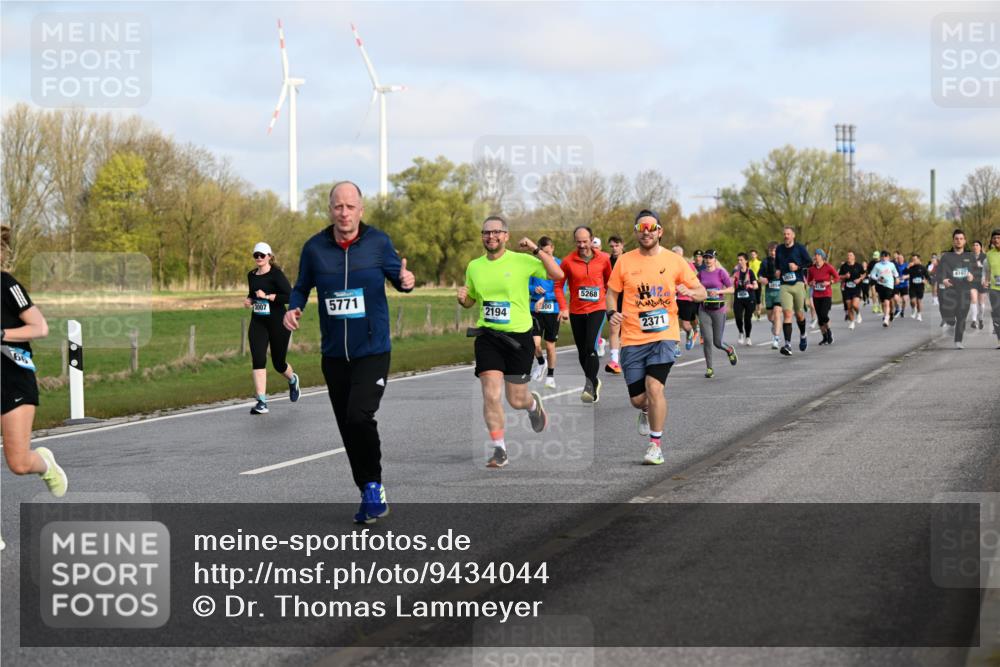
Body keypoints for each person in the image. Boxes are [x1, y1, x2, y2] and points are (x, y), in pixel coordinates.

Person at [284, 181, 415, 524]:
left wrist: (405, 281)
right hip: (333, 355)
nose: (344, 213)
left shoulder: (378, 242)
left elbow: (397, 278)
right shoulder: (314, 248)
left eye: (350, 207)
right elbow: (301, 287)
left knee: (359, 416)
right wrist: (293, 307)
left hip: (372, 349)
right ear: (330, 210)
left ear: (361, 210)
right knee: (347, 427)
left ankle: (374, 487)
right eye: (338, 207)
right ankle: (366, 489)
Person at [458, 216, 563, 468]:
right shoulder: (474, 266)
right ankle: (499, 449)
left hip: (519, 339)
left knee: (516, 400)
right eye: (486, 232)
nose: (490, 236)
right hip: (488, 337)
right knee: (491, 394)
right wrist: (464, 300)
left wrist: (537, 250)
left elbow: (557, 274)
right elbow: (472, 298)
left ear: (506, 235)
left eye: (496, 232)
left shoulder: (523, 261)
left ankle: (532, 405)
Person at [606, 210, 706, 465]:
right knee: (638, 399)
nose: (646, 231)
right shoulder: (625, 261)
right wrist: (611, 312)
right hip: (632, 337)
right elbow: (611, 292)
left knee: (655, 387)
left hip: (664, 334)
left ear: (660, 231)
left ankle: (655, 445)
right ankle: (646, 409)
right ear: (637, 231)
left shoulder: (675, 261)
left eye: (651, 227)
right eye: (642, 227)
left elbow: (702, 291)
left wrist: (690, 292)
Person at [2, 257, 68, 552]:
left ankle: (45, 464)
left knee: (18, 463)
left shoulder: (7, 284)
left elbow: (39, 327)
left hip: (12, 379)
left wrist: (2, 334)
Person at [554, 226, 612, 403]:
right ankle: (594, 381)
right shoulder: (568, 261)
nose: (582, 245)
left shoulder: (603, 259)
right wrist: (563, 307)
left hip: (597, 309)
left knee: (590, 347)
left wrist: (611, 305)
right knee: (581, 352)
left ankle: (589, 385)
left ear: (591, 239)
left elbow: (611, 283)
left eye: (585, 241)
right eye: (578, 242)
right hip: (576, 311)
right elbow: (558, 286)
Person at [244, 242, 299, 414]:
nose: (259, 258)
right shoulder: (251, 275)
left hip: (278, 323)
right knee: (258, 359)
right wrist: (250, 300)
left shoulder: (276, 274)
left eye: (262, 255)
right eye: (256, 255)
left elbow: (290, 296)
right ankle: (261, 401)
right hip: (258, 322)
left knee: (278, 363)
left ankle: (292, 379)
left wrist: (267, 296)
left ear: (269, 256)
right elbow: (253, 294)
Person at [696, 250, 738, 378]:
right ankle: (709, 368)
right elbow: (695, 287)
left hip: (718, 310)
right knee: (707, 341)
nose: (708, 260)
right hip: (704, 309)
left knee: (717, 342)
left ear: (714, 259)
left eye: (710, 258)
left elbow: (732, 289)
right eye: (706, 258)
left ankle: (729, 349)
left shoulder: (721, 272)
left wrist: (720, 291)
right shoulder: (701, 274)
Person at [936, 229, 978, 349]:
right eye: (956, 239)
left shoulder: (970, 256)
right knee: (950, 318)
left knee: (962, 316)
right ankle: (949, 321)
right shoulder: (946, 257)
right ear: (953, 241)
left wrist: (972, 276)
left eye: (961, 239)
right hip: (949, 292)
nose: (958, 241)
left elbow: (977, 273)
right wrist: (943, 280)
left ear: (964, 241)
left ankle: (958, 341)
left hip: (964, 291)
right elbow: (939, 273)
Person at [529, 236, 560, 389]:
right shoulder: (532, 264)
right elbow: (525, 285)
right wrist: (533, 290)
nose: (546, 256)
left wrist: (545, 297)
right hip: (535, 309)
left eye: (548, 253)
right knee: (534, 344)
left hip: (552, 309)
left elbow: (562, 290)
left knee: (550, 346)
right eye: (543, 253)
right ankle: (541, 363)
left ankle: (550, 376)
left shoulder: (559, 264)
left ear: (552, 248)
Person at [775, 226, 812, 355]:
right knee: (787, 314)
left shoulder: (800, 248)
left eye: (788, 234)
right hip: (784, 284)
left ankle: (803, 334)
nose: (786, 236)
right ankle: (788, 345)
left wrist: (798, 267)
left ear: (793, 236)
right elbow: (777, 264)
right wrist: (778, 270)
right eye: (784, 234)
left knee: (799, 314)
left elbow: (809, 263)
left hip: (798, 283)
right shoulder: (779, 249)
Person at [806, 249, 840, 345]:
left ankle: (829, 331)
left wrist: (829, 282)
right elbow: (809, 281)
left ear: (821, 256)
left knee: (824, 315)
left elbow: (837, 277)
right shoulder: (811, 269)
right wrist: (811, 283)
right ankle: (824, 337)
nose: (815, 256)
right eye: (815, 255)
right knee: (820, 318)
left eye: (817, 255)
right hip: (816, 295)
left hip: (826, 294)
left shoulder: (828, 267)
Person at [672, 246, 700, 356]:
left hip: (685, 298)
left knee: (685, 324)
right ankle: (676, 347)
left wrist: (689, 291)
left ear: (681, 255)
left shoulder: (689, 266)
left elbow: (694, 281)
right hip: (672, 298)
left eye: (677, 254)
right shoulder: (669, 266)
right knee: (672, 323)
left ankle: (690, 332)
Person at [605, 235, 625, 374]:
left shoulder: (629, 259)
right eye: (611, 246)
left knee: (627, 331)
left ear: (622, 245)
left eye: (616, 245)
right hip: (613, 298)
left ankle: (626, 358)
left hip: (628, 298)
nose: (614, 248)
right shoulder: (607, 261)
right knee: (614, 329)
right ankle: (614, 361)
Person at [758, 242, 784, 349]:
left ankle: (776, 338)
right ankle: (774, 324)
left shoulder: (783, 261)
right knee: (770, 317)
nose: (773, 253)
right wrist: (762, 279)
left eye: (775, 251)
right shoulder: (765, 262)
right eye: (771, 251)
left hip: (780, 291)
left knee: (777, 312)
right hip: (769, 292)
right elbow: (759, 275)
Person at [731, 252, 758, 346]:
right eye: (738, 260)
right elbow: (729, 283)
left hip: (749, 298)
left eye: (741, 260)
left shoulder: (750, 272)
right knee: (738, 317)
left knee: (747, 319)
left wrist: (751, 285)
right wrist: (733, 277)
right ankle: (741, 333)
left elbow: (756, 285)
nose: (739, 261)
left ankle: (748, 337)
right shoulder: (735, 272)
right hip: (738, 298)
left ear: (746, 261)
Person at [870, 251, 899, 328]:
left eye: (886, 256)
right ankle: (887, 314)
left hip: (889, 285)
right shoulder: (877, 265)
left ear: (888, 257)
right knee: (883, 303)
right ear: (880, 257)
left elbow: (896, 273)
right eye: (882, 256)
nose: (884, 258)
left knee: (887, 302)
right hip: (880, 285)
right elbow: (872, 274)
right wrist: (877, 278)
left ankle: (886, 318)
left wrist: (897, 278)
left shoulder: (891, 265)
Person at [839, 251, 865, 330]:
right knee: (849, 306)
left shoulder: (858, 266)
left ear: (854, 257)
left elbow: (864, 274)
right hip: (847, 289)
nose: (848, 257)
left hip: (856, 288)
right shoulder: (844, 266)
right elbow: (839, 276)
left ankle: (858, 313)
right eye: (848, 255)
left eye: (850, 255)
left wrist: (859, 279)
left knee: (855, 305)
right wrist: (845, 276)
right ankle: (852, 322)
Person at [903, 254, 929, 322]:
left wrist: (925, 280)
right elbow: (904, 272)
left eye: (915, 259)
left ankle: (919, 314)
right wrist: (908, 266)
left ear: (918, 259)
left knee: (919, 301)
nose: (913, 261)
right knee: (913, 301)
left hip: (920, 287)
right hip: (912, 287)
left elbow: (927, 277)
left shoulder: (923, 268)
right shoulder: (911, 268)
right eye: (912, 260)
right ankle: (913, 309)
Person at [986, 229, 1000, 348]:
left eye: (999, 238)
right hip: (994, 289)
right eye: (994, 238)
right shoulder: (989, 254)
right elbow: (987, 270)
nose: (996, 240)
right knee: (996, 314)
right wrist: (985, 281)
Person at [970, 240, 988, 330]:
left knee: (981, 303)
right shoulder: (969, 257)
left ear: (980, 247)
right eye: (973, 245)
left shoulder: (985, 257)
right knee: (973, 300)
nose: (975, 246)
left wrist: (981, 266)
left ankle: (980, 318)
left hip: (982, 281)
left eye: (977, 245)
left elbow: (989, 269)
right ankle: (973, 320)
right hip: (972, 282)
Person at [893, 251, 910, 318]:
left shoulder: (906, 265)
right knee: (895, 298)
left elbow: (910, 274)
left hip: (904, 285)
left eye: (901, 258)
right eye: (898, 258)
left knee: (905, 300)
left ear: (903, 259)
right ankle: (897, 309)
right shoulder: (894, 266)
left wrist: (906, 276)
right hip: (896, 284)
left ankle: (902, 311)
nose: (900, 259)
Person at [748, 249, 763, 319]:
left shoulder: (760, 263)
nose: (752, 256)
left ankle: (759, 312)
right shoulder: (748, 263)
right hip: (751, 282)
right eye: (751, 254)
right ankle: (752, 313)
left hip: (758, 281)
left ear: (756, 255)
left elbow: (762, 272)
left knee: (758, 298)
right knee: (751, 298)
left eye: (754, 254)